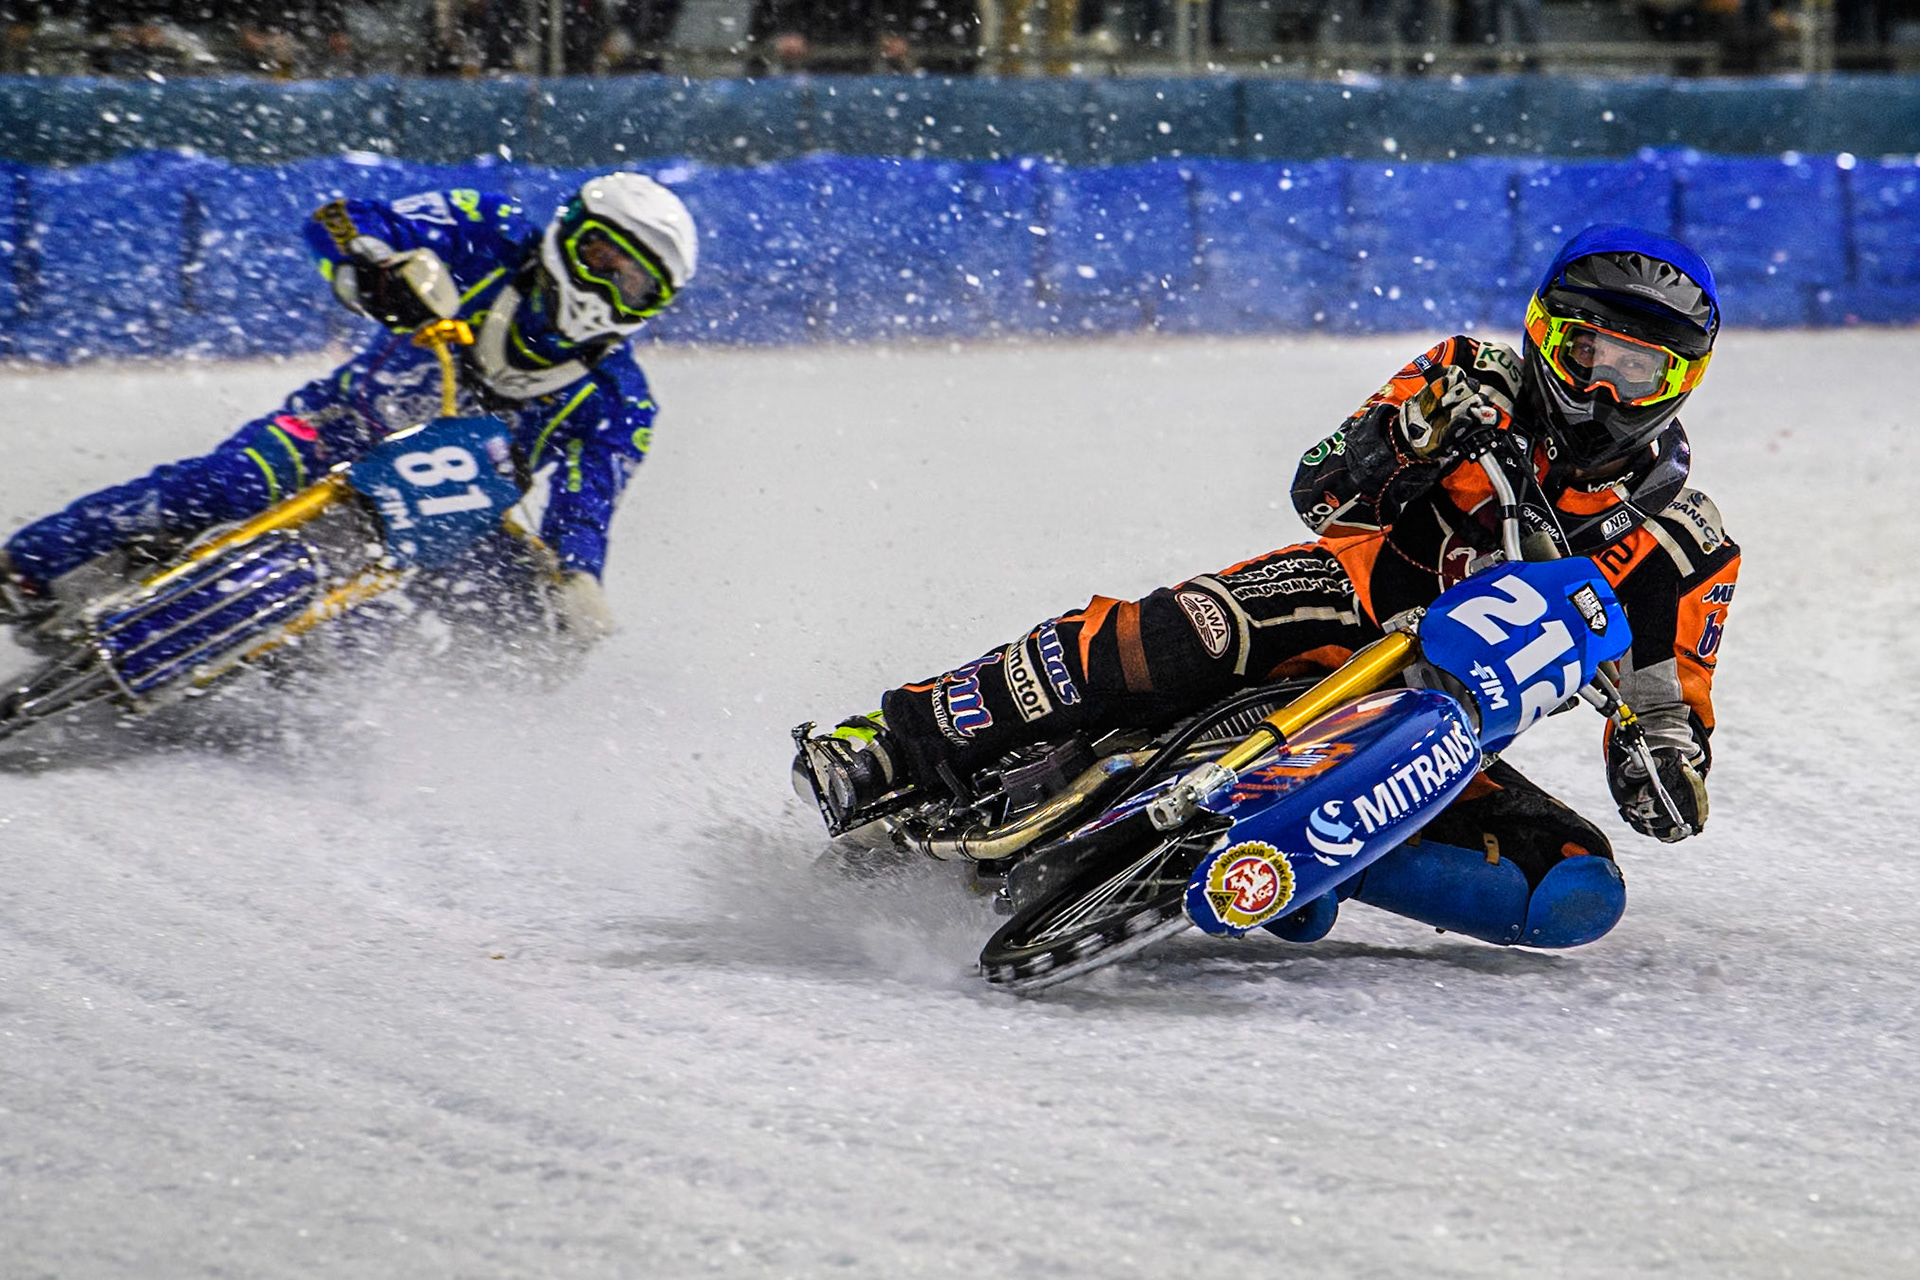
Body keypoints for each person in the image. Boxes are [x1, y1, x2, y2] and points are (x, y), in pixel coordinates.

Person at [793, 225, 1740, 950]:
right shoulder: (1462, 376)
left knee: (1574, 890)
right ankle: (896, 739)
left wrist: (1660, 766)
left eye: (1640, 370)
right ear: (1545, 335)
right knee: (1177, 636)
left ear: (1680, 380)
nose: (1608, 390)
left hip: (1434, 730)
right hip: (1340, 607)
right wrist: (1414, 434)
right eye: (1588, 356)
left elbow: (1670, 708)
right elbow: (1320, 490)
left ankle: (1301, 860)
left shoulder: (1685, 545)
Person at [0, 172, 697, 667]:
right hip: (336, 426)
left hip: (449, 516)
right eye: (599, 257)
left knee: (511, 634)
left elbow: (588, 499)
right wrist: (372, 264)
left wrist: (580, 580)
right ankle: (25, 566)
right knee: (223, 485)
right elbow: (344, 218)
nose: (606, 284)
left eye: (631, 281)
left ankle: (281, 685)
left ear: (652, 302)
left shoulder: (619, 399)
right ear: (565, 233)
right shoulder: (489, 229)